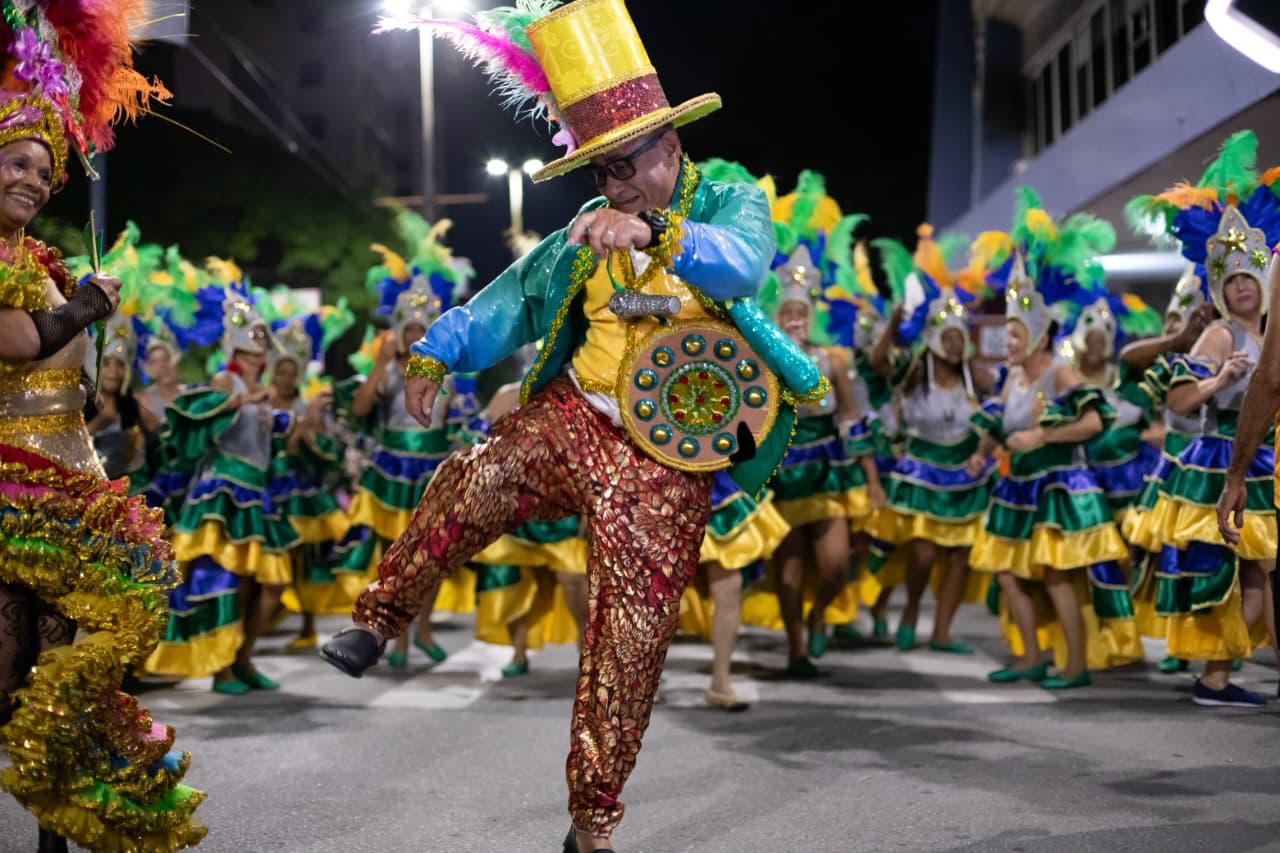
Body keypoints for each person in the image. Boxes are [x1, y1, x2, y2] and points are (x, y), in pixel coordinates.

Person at [326, 2, 829, 849]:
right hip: (575, 418)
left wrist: (659, 230)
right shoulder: (582, 235)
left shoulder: (733, 197)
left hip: (669, 457)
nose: (615, 186)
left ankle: (592, 821)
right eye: (601, 172)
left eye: (628, 165)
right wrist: (434, 353)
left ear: (670, 147)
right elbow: (509, 303)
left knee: (628, 643)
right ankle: (376, 619)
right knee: (474, 474)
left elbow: (743, 267)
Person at [0, 3, 206, 850]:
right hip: (13, 490)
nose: (29, 178)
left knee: (66, 660)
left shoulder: (36, 259)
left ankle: (60, 827)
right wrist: (86, 305)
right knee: (8, 672)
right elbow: (15, 343)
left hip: (74, 482)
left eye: (41, 169)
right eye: (13, 160)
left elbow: (67, 370)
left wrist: (85, 311)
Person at [1127, 130, 1280, 706]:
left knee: (1262, 574)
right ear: (1219, 287)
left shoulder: (1272, 334)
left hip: (1267, 461)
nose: (1243, 287)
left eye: (1250, 277)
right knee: (1227, 574)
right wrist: (1217, 380)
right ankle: (1214, 677)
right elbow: (1178, 402)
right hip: (1220, 460)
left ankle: (1225, 673)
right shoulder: (1218, 334)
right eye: (1233, 280)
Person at [968, 190, 1142, 690]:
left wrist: (1043, 434)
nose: (1011, 342)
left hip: (1060, 487)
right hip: (1017, 487)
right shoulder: (1011, 378)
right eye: (1010, 333)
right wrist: (984, 456)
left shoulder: (1061, 374)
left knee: (1058, 575)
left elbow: (1093, 424)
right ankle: (1031, 656)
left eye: (1018, 334)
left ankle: (1075, 666)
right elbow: (1002, 429)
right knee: (1008, 574)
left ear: (1042, 335)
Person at [868, 227, 996, 654]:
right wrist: (894, 320)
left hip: (964, 475)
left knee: (958, 556)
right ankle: (903, 612)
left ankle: (941, 632)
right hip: (920, 469)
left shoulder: (975, 377)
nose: (957, 345)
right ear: (937, 337)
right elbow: (878, 362)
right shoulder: (914, 370)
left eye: (962, 338)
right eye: (951, 337)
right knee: (920, 554)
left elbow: (995, 419)